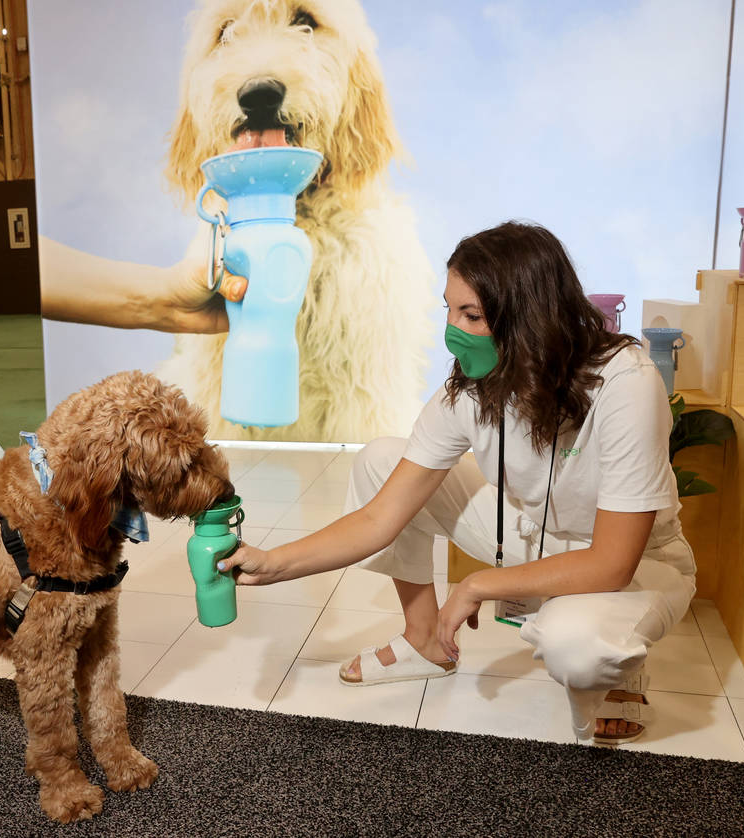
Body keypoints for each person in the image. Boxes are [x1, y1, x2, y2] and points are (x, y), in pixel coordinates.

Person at [219, 221, 696, 745]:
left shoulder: (626, 384)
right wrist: (274, 563)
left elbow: (611, 562)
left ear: (530, 317)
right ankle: (424, 642)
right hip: (531, 536)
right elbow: (381, 516)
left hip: (636, 565)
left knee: (577, 647)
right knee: (382, 459)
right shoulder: (473, 388)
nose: (452, 329)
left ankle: (618, 665)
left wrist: (477, 585)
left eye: (471, 314)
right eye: (448, 309)